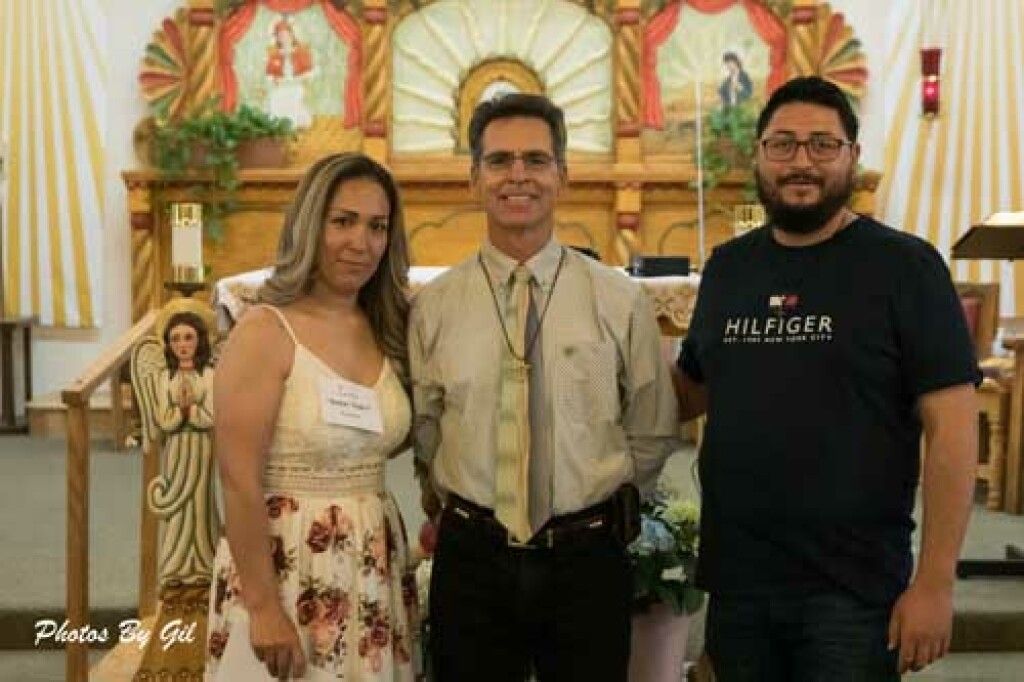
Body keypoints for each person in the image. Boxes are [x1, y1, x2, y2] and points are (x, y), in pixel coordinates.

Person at [674, 76, 980, 680]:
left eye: (822, 144)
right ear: (759, 154)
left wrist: (936, 583)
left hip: (851, 592)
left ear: (852, 157)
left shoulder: (904, 267)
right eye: (783, 144)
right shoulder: (729, 268)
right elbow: (690, 391)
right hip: (739, 584)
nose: (801, 161)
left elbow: (953, 430)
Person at [409, 93, 679, 681]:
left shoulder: (618, 298)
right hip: (472, 558)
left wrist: (596, 500)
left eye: (535, 159)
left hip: (586, 557)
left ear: (562, 173)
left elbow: (652, 425)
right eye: (499, 160)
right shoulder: (434, 306)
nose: (517, 176)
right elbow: (426, 427)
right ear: (474, 177)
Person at [205, 153, 419, 681]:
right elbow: (237, 480)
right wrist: (261, 607)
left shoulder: (386, 326)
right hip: (289, 566)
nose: (360, 242)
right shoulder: (265, 331)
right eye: (342, 221)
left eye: (377, 226)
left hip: (371, 566)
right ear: (309, 226)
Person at [149, 309, 218, 586]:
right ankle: (175, 564)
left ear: (200, 340)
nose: (182, 344)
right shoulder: (164, 378)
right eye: (175, 339)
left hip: (202, 447)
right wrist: (183, 412)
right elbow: (163, 419)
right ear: (168, 344)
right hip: (177, 448)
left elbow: (213, 415)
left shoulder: (210, 375)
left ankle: (203, 561)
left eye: (188, 337)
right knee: (179, 506)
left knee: (201, 502)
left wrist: (191, 412)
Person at [266, 17, 314, 129]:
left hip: (296, 85)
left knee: (292, 98)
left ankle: (292, 124)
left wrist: (301, 78)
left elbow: (309, 72)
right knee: (275, 98)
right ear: (277, 38)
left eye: (286, 35)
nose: (284, 38)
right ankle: (280, 125)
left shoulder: (301, 52)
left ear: (292, 36)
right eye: (281, 36)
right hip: (281, 86)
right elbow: (269, 74)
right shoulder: (274, 54)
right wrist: (274, 79)